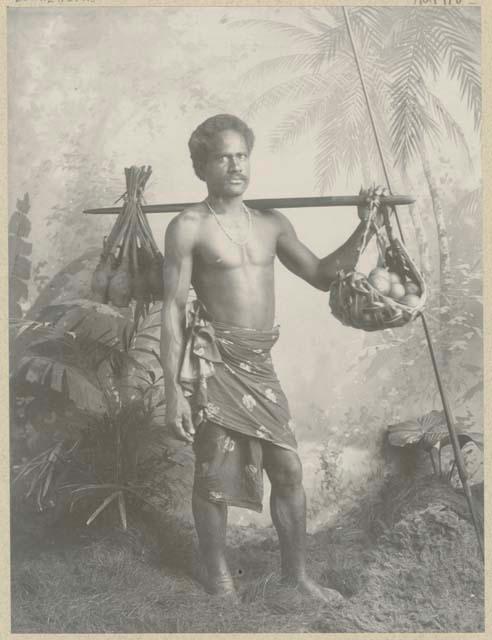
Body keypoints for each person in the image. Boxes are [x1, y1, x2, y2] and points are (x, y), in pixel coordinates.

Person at [160, 114, 382, 602]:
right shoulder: (187, 227)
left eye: (242, 155)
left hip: (257, 364)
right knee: (212, 470)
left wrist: (364, 226)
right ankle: (218, 577)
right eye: (223, 156)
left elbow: (323, 275)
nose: (235, 165)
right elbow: (173, 313)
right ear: (202, 167)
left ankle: (297, 578)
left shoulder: (272, 223)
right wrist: (173, 391)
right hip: (216, 361)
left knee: (287, 470)